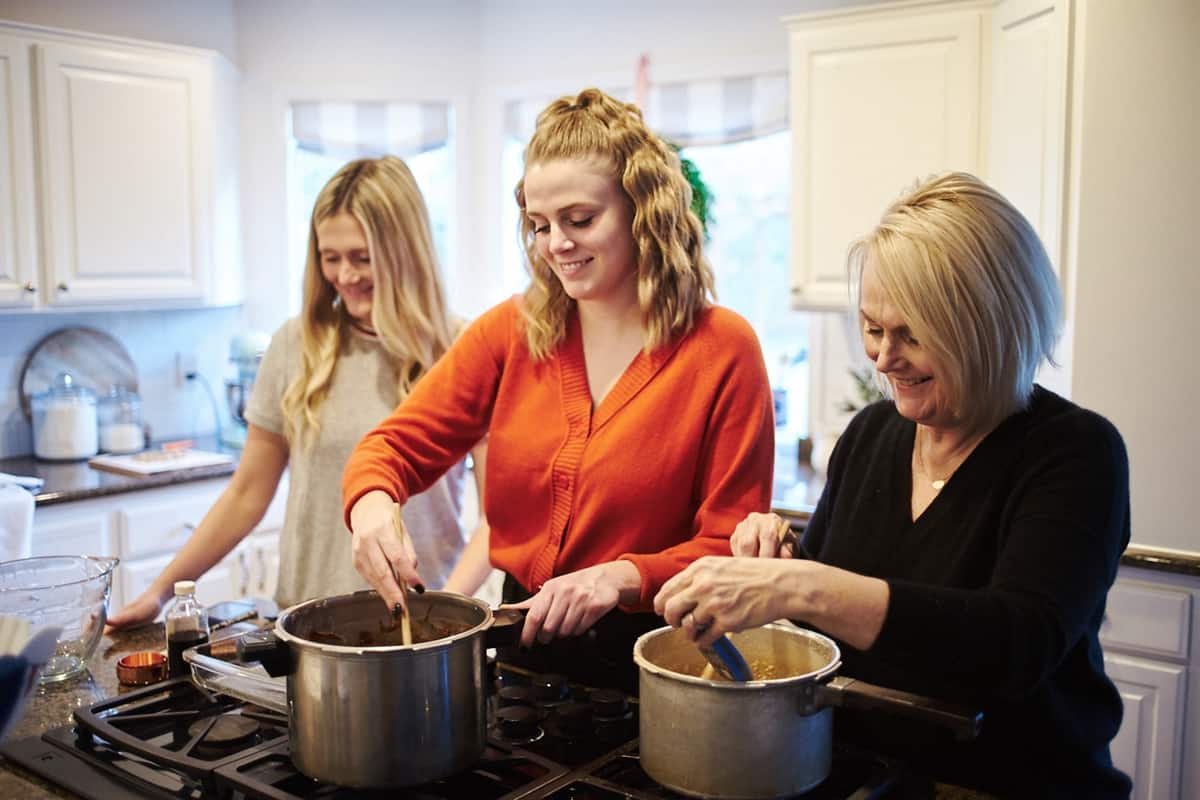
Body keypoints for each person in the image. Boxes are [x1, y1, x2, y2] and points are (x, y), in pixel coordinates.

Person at [655, 172, 1132, 798]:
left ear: (993, 326)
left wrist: (803, 584)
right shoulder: (872, 434)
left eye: (911, 335)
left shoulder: (1075, 453)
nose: (882, 358)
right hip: (870, 777)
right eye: (873, 328)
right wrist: (780, 558)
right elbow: (827, 618)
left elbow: (1016, 643)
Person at [342, 88, 774, 691]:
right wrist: (371, 509)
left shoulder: (722, 349)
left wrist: (620, 577)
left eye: (580, 220)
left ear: (642, 210)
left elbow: (729, 543)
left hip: (662, 662)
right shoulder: (513, 331)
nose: (556, 245)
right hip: (522, 658)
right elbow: (392, 448)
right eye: (540, 225)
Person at [108, 156, 488, 628]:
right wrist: (160, 592)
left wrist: (447, 608)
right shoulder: (296, 345)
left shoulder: (465, 349)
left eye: (362, 257)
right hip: (307, 621)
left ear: (405, 252)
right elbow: (247, 493)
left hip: (423, 625)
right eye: (331, 258)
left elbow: (497, 518)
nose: (345, 275)